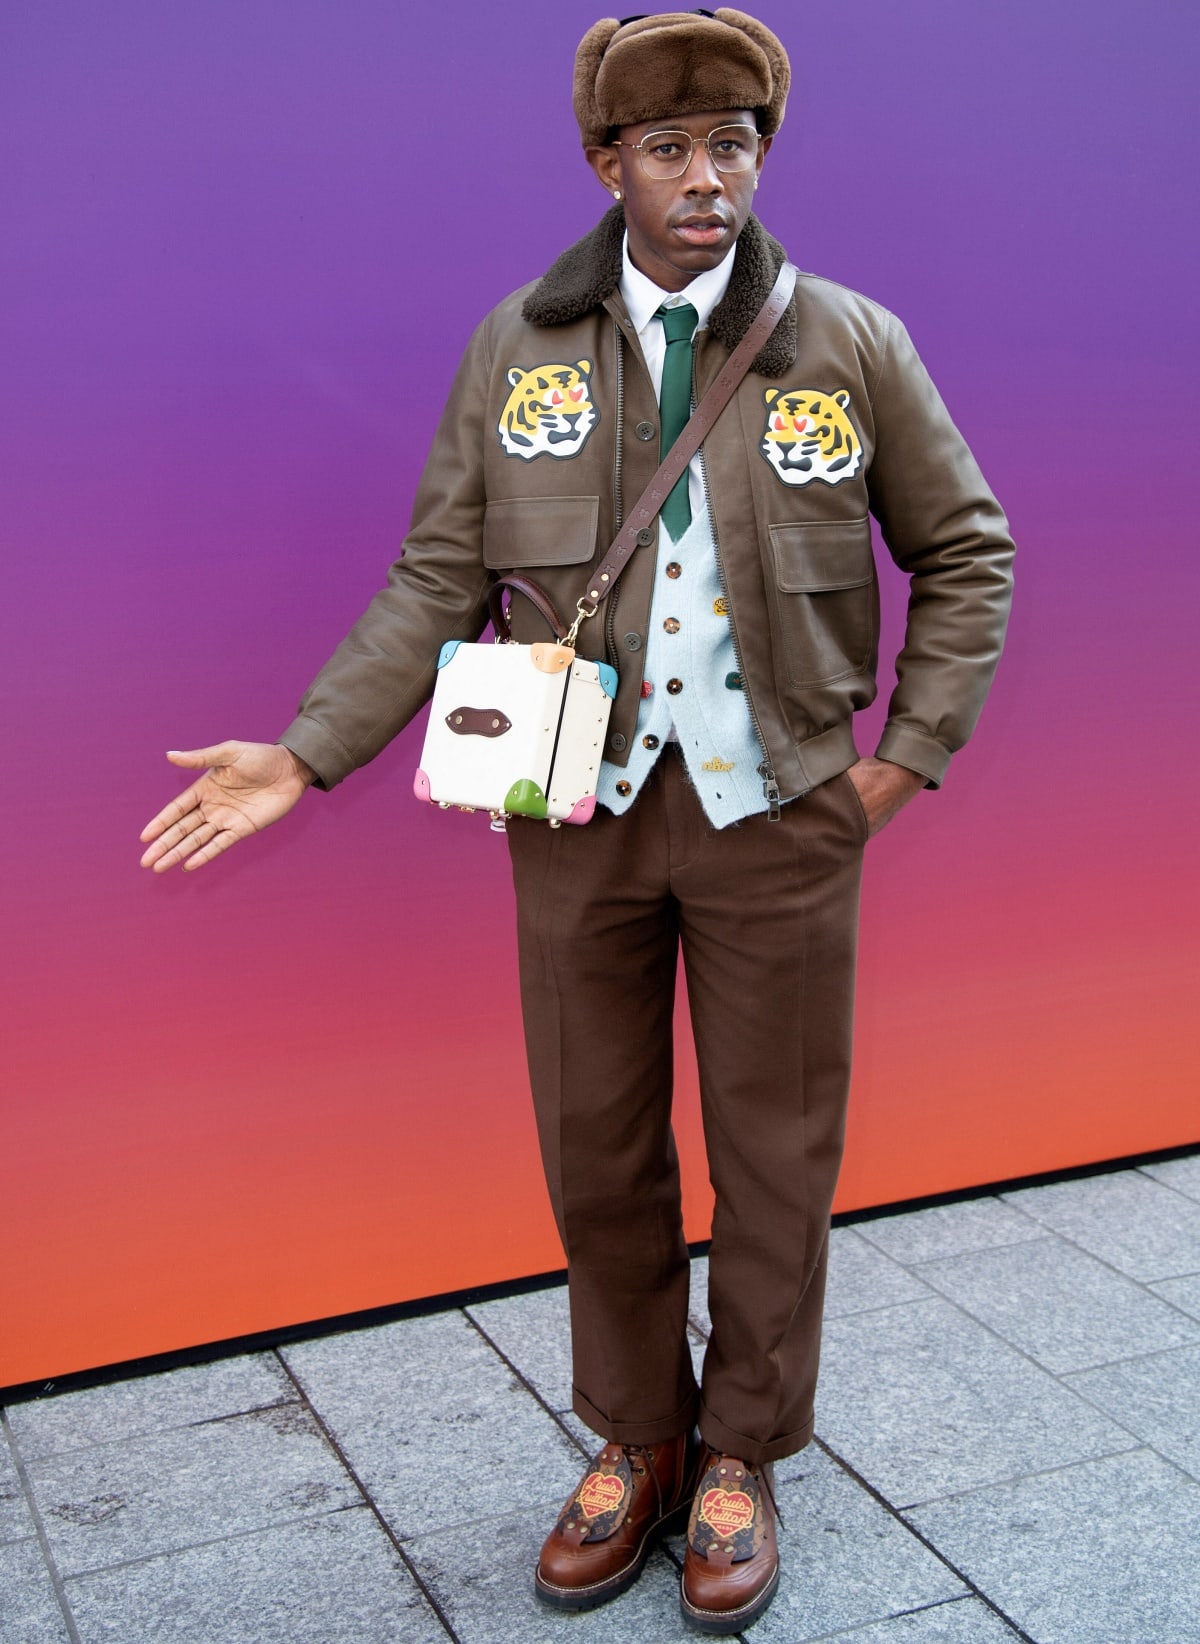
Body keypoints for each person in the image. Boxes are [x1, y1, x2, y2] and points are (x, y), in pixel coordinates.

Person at [140, 9, 1014, 1632]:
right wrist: (311, 751)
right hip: (579, 814)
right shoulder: (519, 346)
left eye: (733, 143)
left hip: (784, 816)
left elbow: (969, 550)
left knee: (775, 1155)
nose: (706, 175)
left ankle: (744, 1450)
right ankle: (637, 1434)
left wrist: (906, 759)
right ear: (608, 164)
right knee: (599, 1151)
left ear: (762, 153)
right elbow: (434, 576)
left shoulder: (852, 342)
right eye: (669, 147)